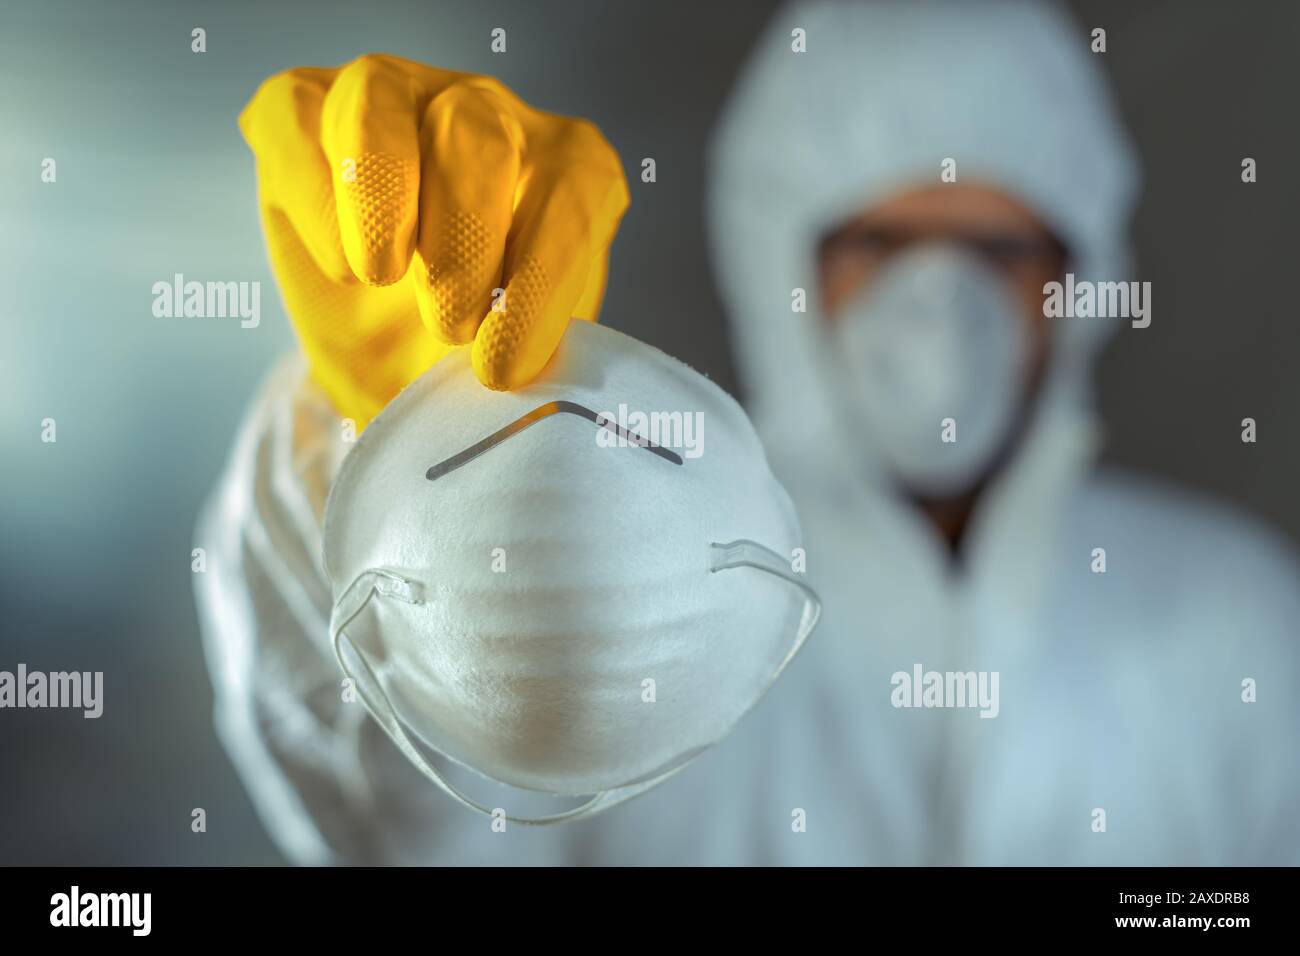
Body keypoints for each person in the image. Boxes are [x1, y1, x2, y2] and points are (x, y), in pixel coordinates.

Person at [196, 0, 1300, 864]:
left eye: (1003, 253)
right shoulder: (639, 579)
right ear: (784, 257)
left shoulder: (1239, 619)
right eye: (879, 241)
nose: (938, 302)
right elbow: (407, 844)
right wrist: (391, 458)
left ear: (1080, 280)